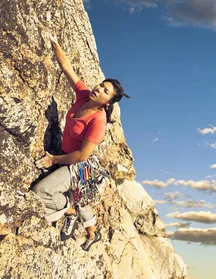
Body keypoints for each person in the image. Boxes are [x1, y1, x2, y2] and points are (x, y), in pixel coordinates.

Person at [32, 34, 129, 251]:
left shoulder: (98, 120)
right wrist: (55, 43)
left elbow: (82, 156)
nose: (99, 89)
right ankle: (92, 234)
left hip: (79, 164)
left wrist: (53, 160)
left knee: (44, 191)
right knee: (81, 198)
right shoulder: (84, 95)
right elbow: (67, 69)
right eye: (101, 85)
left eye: (105, 91)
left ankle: (69, 212)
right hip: (71, 158)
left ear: (108, 102)